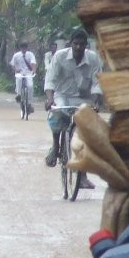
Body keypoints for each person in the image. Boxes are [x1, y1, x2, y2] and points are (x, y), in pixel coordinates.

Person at [44, 27, 102, 186]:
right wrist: (50, 99)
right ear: (70, 43)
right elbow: (50, 79)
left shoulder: (93, 59)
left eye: (82, 44)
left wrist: (95, 102)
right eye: (76, 44)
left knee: (86, 135)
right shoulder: (59, 57)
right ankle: (56, 146)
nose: (78, 47)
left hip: (83, 98)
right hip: (62, 95)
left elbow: (97, 83)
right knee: (58, 114)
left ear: (86, 45)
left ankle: (82, 176)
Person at [10, 41, 37, 115]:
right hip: (20, 72)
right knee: (18, 80)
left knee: (30, 86)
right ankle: (18, 95)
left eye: (25, 48)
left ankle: (29, 103)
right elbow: (12, 65)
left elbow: (33, 63)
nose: (24, 49)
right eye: (22, 48)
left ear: (27, 48)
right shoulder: (16, 55)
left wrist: (34, 71)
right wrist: (16, 69)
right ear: (20, 48)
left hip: (28, 73)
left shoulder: (30, 54)